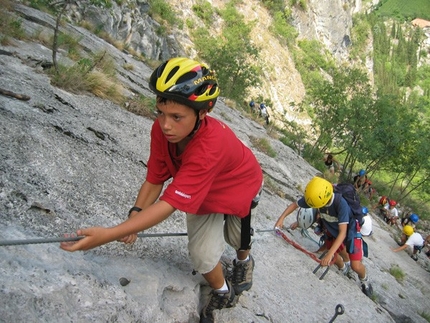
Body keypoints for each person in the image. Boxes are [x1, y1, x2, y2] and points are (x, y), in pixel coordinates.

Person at [60, 57, 264, 323]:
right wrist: (134, 219)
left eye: (176, 117)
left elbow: (169, 205)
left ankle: (243, 261)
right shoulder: (162, 131)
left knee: (237, 237)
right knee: (202, 256)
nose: (165, 124)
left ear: (202, 113)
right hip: (202, 188)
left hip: (239, 184)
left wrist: (109, 235)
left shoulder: (210, 145)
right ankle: (222, 291)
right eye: (160, 112)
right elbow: (156, 178)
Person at [275, 176, 373, 297]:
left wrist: (330, 253)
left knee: (355, 265)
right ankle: (343, 269)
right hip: (332, 231)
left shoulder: (340, 204)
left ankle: (364, 280)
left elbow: (343, 232)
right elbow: (295, 205)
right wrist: (281, 219)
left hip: (349, 232)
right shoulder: (317, 197)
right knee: (335, 258)